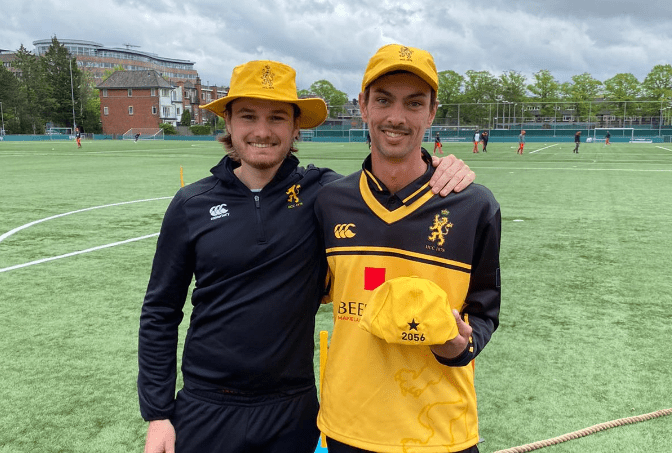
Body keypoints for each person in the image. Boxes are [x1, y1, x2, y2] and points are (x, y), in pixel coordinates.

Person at [138, 59, 476, 453]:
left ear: (296, 126)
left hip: (292, 410)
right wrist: (158, 414)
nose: (262, 131)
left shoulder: (327, 195)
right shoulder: (191, 203)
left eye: (277, 118)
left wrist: (443, 167)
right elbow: (160, 311)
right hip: (206, 405)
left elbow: (390, 188)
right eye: (248, 116)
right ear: (228, 122)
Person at [315, 43, 501, 453]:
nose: (396, 117)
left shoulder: (474, 205)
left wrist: (462, 345)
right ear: (363, 106)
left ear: (432, 113)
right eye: (383, 100)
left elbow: (485, 311)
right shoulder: (329, 202)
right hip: (349, 424)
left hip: (440, 431)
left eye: (414, 103)